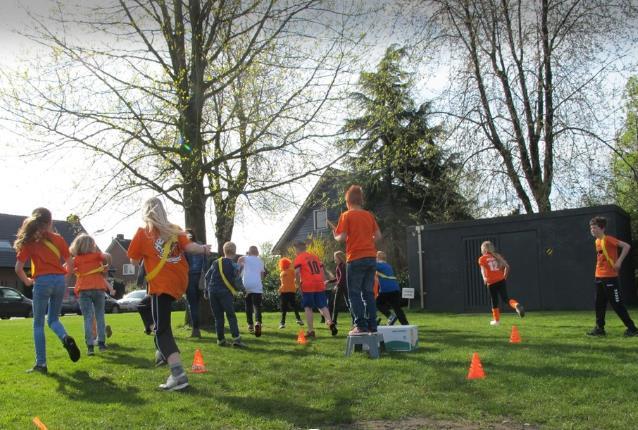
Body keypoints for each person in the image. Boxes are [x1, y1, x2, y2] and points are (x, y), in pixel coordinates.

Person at [127, 197, 210, 391]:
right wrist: (204, 249)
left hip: (161, 284)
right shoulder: (175, 229)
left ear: (146, 213)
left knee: (162, 331)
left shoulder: (143, 233)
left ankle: (178, 374)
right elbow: (190, 247)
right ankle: (162, 351)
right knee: (148, 308)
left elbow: (132, 260)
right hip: (178, 281)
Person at [14, 207, 81, 373]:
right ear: (51, 222)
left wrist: (28, 281)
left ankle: (41, 364)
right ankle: (65, 338)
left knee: (38, 324)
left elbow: (17, 268)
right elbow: (70, 264)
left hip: (42, 282)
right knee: (53, 320)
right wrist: (64, 279)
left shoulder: (30, 241)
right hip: (59, 281)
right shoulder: (58, 239)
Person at [330, 185, 382, 335]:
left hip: (355, 258)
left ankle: (360, 326)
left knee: (354, 294)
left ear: (348, 201)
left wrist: (335, 235)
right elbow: (378, 236)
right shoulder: (369, 215)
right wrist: (367, 240)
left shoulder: (346, 215)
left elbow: (343, 237)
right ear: (361, 200)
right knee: (368, 293)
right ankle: (372, 325)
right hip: (371, 258)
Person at [587, 216, 638, 337]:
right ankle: (600, 329)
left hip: (610, 277)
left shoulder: (608, 239)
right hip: (599, 276)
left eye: (594, 228)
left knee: (617, 303)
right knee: (599, 303)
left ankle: (633, 329)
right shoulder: (597, 241)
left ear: (602, 228)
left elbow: (626, 246)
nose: (592, 230)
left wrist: (619, 261)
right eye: (591, 228)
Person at [69, 233, 115, 355]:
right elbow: (108, 256)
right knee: (100, 316)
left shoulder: (76, 260)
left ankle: (90, 346)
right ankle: (101, 343)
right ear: (92, 245)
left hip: (83, 289)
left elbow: (66, 268)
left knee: (87, 318)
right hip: (98, 288)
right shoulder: (97, 256)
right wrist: (107, 265)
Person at [204, 241, 246, 347]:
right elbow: (237, 280)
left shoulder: (215, 262)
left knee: (218, 317)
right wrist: (243, 290)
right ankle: (236, 339)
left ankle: (220, 340)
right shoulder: (234, 265)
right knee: (231, 316)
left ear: (224, 251)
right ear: (235, 252)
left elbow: (207, 277)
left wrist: (206, 291)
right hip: (225, 293)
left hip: (212, 292)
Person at [293, 241, 338, 338]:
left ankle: (310, 331)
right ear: (305, 248)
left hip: (308, 284)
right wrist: (322, 282)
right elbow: (321, 271)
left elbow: (296, 272)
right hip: (319, 284)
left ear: (297, 249)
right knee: (323, 306)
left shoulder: (299, 258)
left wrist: (298, 285)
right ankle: (330, 323)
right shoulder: (315, 257)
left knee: (308, 307)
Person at [478, 241, 525, 326]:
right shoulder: (497, 256)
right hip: (501, 280)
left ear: (484, 249)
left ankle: (496, 321)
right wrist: (503, 277)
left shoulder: (482, 258)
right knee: (506, 299)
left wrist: (484, 278)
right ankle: (516, 305)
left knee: (494, 301)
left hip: (491, 282)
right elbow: (507, 267)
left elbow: (482, 270)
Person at [375, 251, 409, 326]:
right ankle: (405, 324)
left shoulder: (378, 265)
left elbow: (369, 265)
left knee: (378, 304)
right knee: (397, 307)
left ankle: (390, 316)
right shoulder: (388, 266)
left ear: (378, 258)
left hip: (386, 289)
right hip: (395, 288)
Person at [238, 246, 265, 337]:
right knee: (257, 306)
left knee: (248, 305)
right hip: (257, 285)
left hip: (246, 285)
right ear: (257, 253)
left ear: (249, 252)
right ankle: (258, 322)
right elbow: (262, 274)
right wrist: (260, 282)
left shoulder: (245, 258)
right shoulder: (260, 261)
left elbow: (239, 260)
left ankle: (250, 325)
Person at [184, 228, 205, 338]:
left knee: (192, 305)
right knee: (196, 304)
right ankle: (196, 329)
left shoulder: (186, 248)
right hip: (201, 278)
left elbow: (184, 263)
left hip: (190, 277)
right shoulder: (201, 246)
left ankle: (196, 330)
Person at [324, 251, 349, 326]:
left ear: (339, 258)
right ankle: (354, 319)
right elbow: (338, 278)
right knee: (348, 303)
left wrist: (337, 285)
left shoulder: (342, 266)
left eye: (335, 257)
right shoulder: (341, 266)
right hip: (343, 286)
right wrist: (329, 281)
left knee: (336, 304)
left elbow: (342, 278)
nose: (334, 259)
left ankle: (334, 320)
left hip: (341, 286)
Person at [278, 257, 303, 329]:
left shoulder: (282, 273)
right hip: (291, 291)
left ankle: (282, 323)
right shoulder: (291, 271)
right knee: (294, 306)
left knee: (284, 308)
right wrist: (298, 283)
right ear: (288, 264)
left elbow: (283, 283)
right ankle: (298, 319)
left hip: (284, 292)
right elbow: (297, 276)